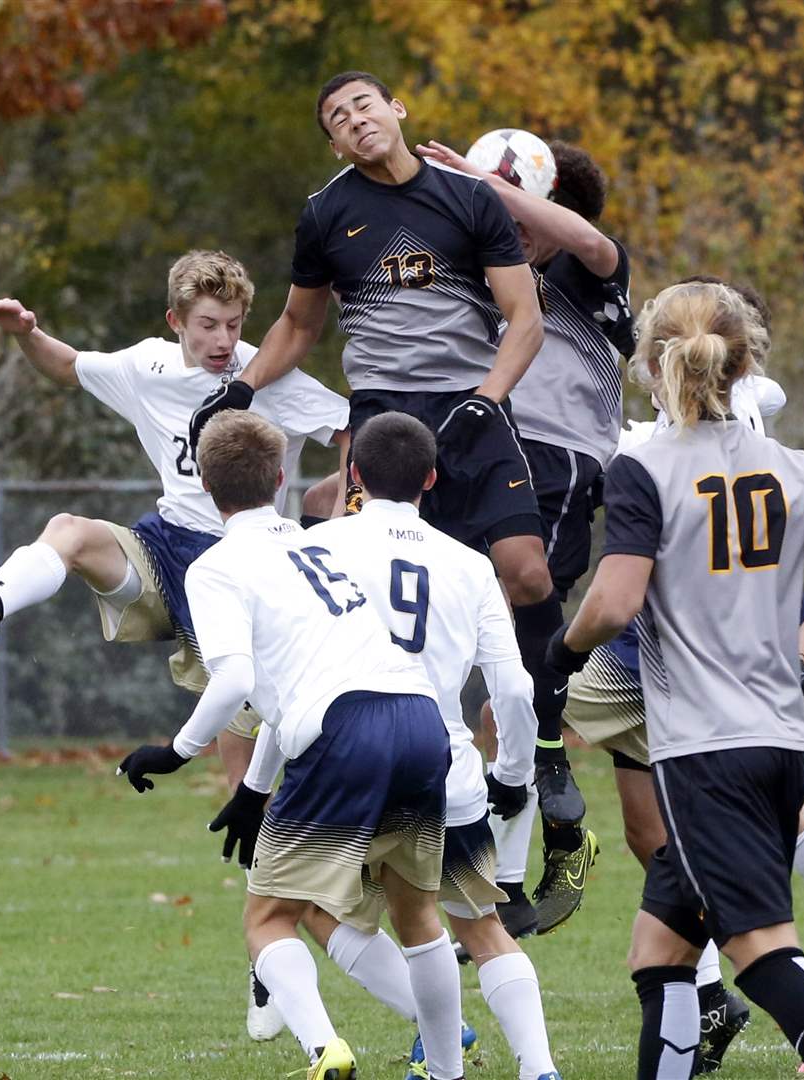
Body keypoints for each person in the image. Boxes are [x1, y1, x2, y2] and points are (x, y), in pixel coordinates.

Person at [0, 250, 348, 1041]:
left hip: (248, 581)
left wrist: (330, 508)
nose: (223, 341)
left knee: (250, 793)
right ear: (175, 322)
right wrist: (27, 333)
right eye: (208, 325)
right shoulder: (146, 365)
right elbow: (69, 366)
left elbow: (353, 429)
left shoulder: (264, 373)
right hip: (167, 549)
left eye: (235, 324)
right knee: (69, 533)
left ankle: (267, 951)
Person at [544, 281, 804, 1079]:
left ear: (651, 362)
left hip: (707, 755)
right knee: (660, 954)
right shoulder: (793, 465)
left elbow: (616, 599)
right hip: (772, 745)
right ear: (743, 362)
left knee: (764, 955)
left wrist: (561, 660)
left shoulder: (643, 465)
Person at [186, 73, 570, 803]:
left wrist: (489, 400)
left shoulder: (470, 199)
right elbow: (300, 325)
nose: (355, 119)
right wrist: (242, 388)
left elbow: (525, 318)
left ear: (395, 109)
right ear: (333, 142)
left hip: (472, 409)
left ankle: (547, 752)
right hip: (384, 422)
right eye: (337, 116)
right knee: (363, 596)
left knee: (527, 575)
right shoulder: (327, 213)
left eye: (364, 104)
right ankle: (351, 749)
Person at [115, 410, 463, 1080]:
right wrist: (251, 793)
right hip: (420, 721)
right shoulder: (321, 545)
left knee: (270, 916)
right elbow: (297, 676)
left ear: (206, 487)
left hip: (344, 731)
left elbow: (239, 681)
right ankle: (449, 1065)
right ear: (280, 479)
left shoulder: (215, 567)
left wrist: (177, 750)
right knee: (417, 914)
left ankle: (325, 1050)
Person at [225, 411, 560, 1080]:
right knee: (474, 927)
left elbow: (283, 682)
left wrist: (254, 785)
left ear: (353, 475)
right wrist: (513, 774)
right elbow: (516, 690)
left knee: (292, 910)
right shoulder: (469, 566)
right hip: (445, 764)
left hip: (345, 758)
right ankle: (536, 1068)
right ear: (431, 480)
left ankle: (361, 1050)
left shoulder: (316, 550)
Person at [416, 135, 636, 934]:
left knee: (529, 589)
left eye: (513, 198)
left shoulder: (581, 271)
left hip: (563, 458)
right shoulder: (481, 268)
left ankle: (548, 760)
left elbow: (591, 241)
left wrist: (480, 181)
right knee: (489, 682)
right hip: (483, 447)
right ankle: (512, 872)